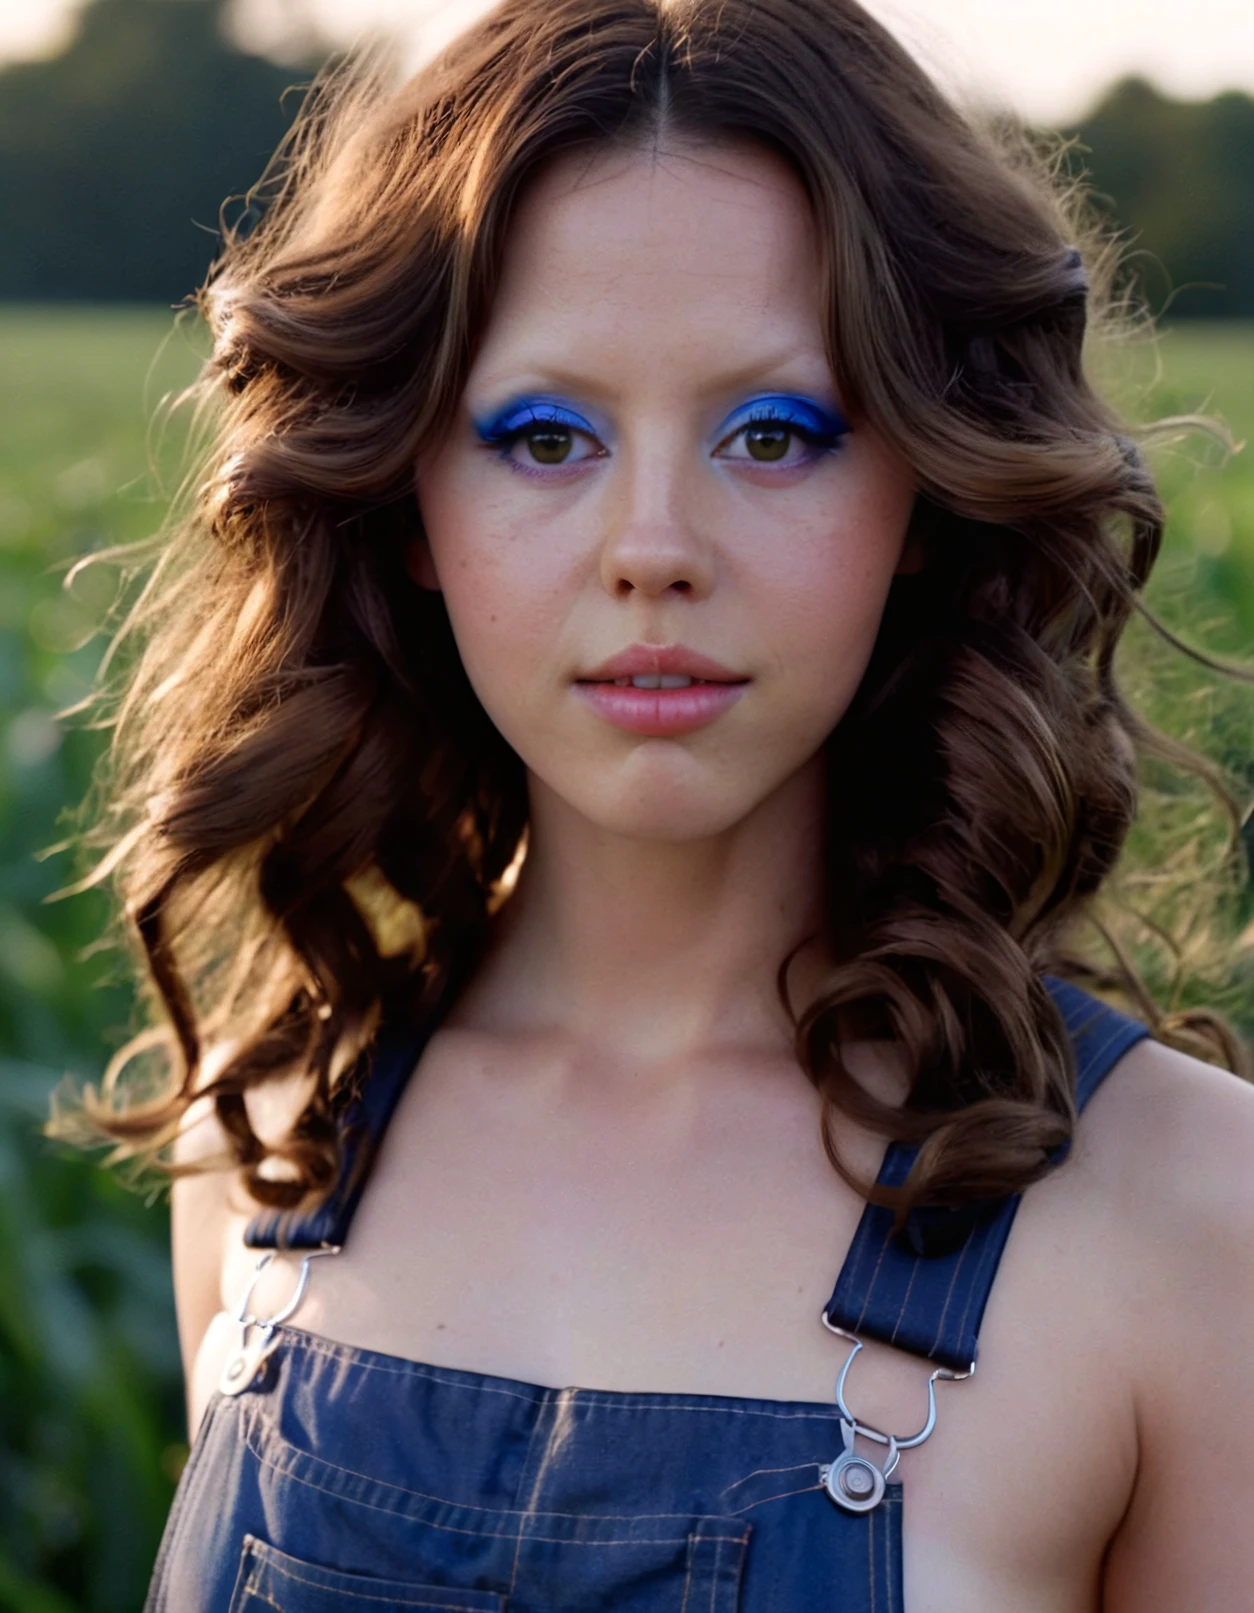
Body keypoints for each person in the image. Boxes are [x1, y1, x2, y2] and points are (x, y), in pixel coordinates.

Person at [61, 1, 1253, 1608]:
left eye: (774, 432)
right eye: (542, 434)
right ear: (406, 494)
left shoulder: (1191, 1219)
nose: (653, 546)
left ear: (920, 484)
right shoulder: (269, 1139)